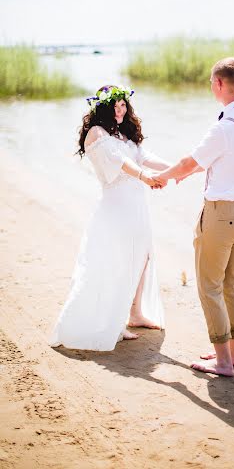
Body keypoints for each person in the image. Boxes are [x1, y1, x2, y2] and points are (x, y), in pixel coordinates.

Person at [154, 58, 234, 376]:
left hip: (222, 216)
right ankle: (232, 355)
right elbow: (210, 162)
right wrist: (182, 173)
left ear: (219, 83)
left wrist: (161, 177)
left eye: (210, 82)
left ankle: (221, 362)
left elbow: (190, 162)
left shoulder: (224, 127)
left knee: (209, 286)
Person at [50, 85, 169, 352]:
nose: (120, 110)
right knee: (119, 259)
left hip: (137, 204)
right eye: (115, 106)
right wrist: (145, 177)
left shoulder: (124, 133)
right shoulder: (97, 133)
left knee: (142, 256)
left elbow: (143, 156)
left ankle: (135, 313)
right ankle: (113, 319)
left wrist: (176, 169)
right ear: (102, 107)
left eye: (123, 105)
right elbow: (119, 161)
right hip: (116, 206)